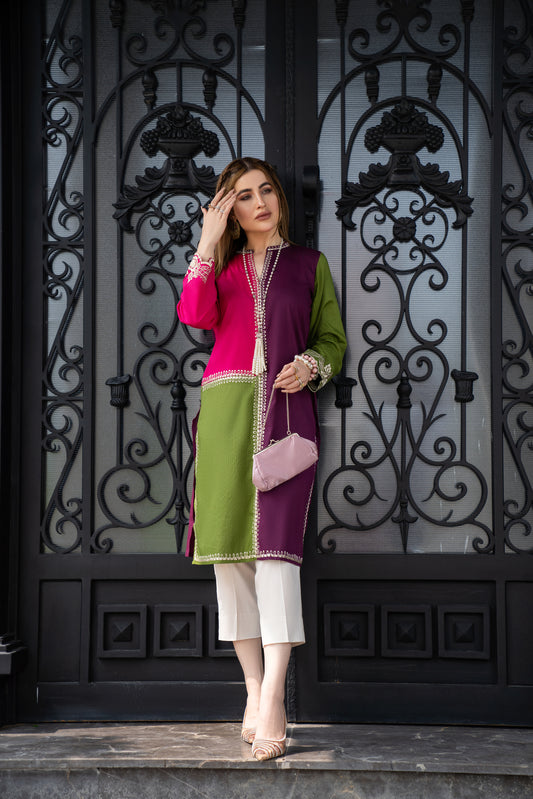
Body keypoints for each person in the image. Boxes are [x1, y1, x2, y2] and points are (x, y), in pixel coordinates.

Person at [177, 157, 346, 761]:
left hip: (285, 415)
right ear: (230, 211)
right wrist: (206, 242)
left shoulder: (308, 265)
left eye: (266, 191)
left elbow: (333, 338)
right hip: (226, 414)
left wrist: (311, 365)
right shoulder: (218, 267)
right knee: (230, 559)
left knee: (276, 557)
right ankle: (252, 689)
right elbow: (194, 315)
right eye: (245, 197)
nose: (261, 203)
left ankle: (274, 697)